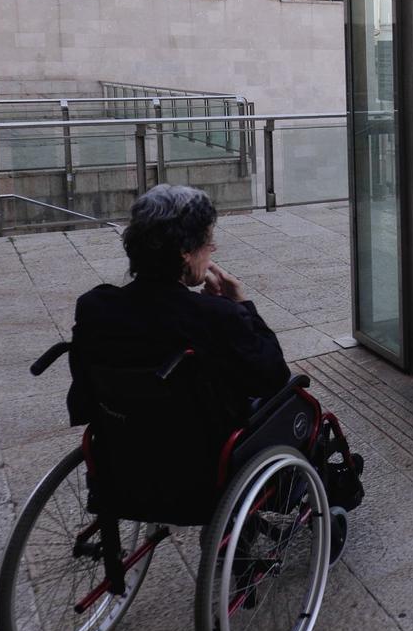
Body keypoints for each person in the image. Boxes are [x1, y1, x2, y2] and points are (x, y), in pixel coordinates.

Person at [71, 184, 291, 440]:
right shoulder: (215, 315)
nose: (211, 251)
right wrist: (242, 305)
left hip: (122, 450)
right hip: (199, 458)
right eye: (208, 243)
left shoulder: (95, 306)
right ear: (185, 252)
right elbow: (273, 375)